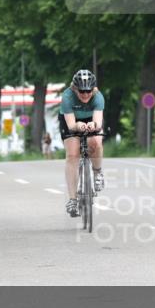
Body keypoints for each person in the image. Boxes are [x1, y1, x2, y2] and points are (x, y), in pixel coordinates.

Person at [59, 69, 105, 217]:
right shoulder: (67, 97)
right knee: (72, 154)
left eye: (88, 91)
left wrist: (93, 125)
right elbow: (72, 125)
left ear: (93, 89)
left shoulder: (98, 97)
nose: (85, 94)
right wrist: (77, 126)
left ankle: (97, 172)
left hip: (91, 120)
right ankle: (73, 199)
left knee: (96, 143)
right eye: (82, 91)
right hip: (71, 121)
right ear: (75, 89)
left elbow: (98, 122)